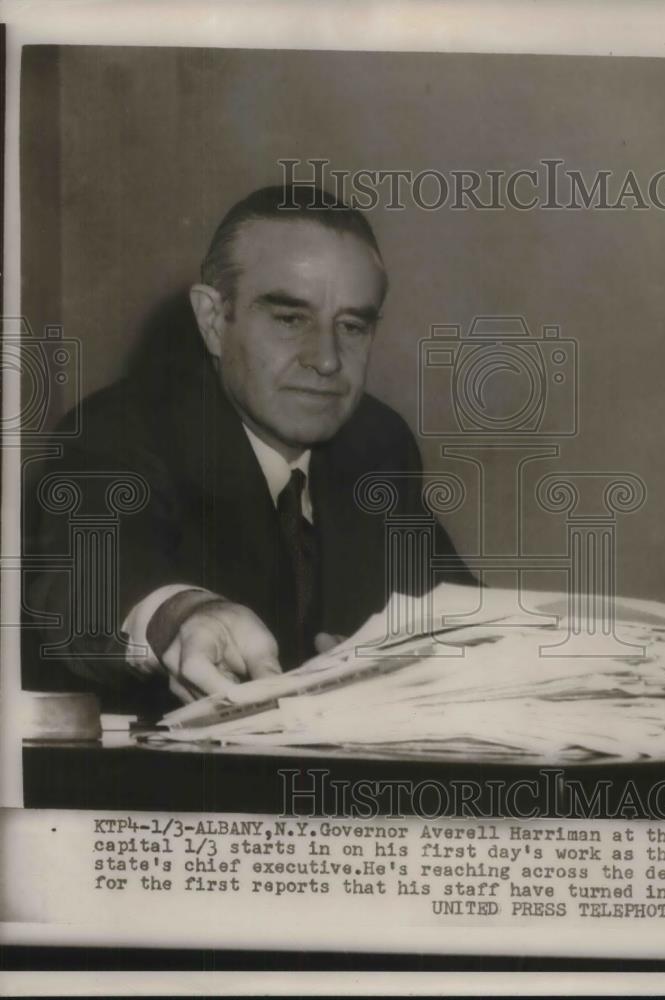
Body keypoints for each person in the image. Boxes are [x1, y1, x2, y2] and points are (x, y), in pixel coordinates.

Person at [23, 185, 473, 715]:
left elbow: (457, 610)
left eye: (352, 326)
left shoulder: (376, 442)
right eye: (290, 319)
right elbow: (88, 572)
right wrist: (184, 615)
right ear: (213, 320)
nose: (327, 360)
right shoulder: (124, 428)